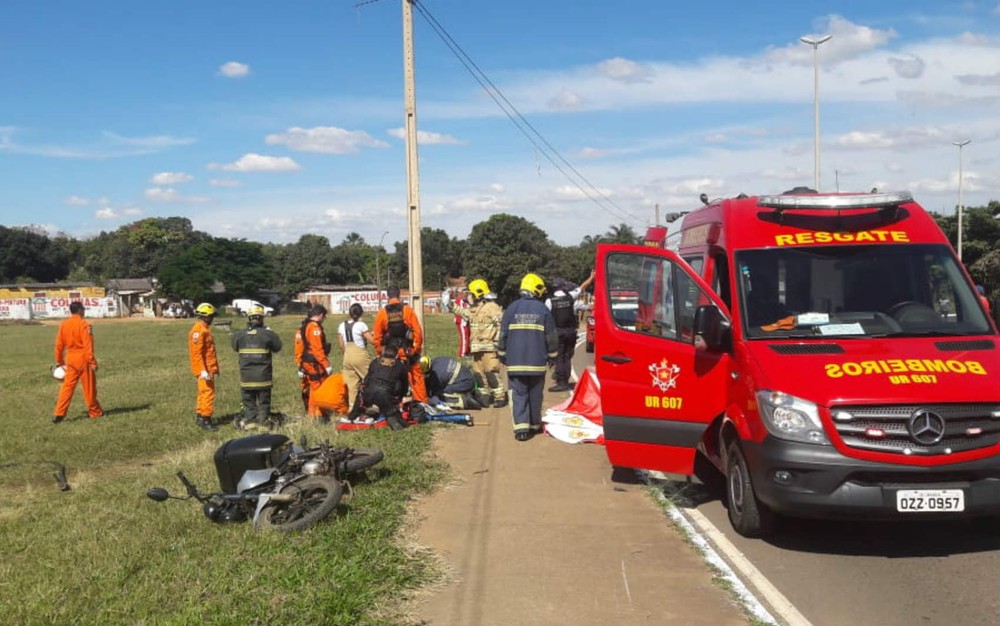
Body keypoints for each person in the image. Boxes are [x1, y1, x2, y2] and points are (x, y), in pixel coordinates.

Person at [499, 273, 558, 441]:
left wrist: (502, 354)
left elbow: (503, 335)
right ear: (536, 289)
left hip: (515, 363)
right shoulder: (543, 310)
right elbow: (551, 337)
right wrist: (553, 356)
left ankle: (521, 430)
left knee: (518, 395)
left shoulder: (511, 308)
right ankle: (534, 424)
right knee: (535, 395)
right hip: (537, 363)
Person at [443, 278, 507, 407]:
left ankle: (499, 397)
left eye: (471, 293)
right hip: (476, 348)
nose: (469, 296)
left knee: (491, 373)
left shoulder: (492, 307)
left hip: (489, 348)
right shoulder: (474, 309)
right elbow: (464, 312)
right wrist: (449, 304)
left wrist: (498, 342)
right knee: (478, 374)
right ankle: (485, 396)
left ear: (478, 293)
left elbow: (501, 325)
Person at [230, 305, 283, 430]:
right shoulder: (268, 334)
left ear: (249, 318)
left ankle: (250, 421)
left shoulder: (239, 335)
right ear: (261, 318)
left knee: (249, 401)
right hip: (263, 377)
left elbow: (235, 347)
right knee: (264, 401)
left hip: (246, 376)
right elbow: (278, 347)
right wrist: (271, 333)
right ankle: (263, 422)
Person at [372, 286, 427, 403]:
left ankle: (394, 402)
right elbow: (418, 333)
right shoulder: (408, 310)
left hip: (391, 354)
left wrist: (379, 352)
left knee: (390, 378)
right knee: (416, 376)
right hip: (408, 352)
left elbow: (377, 337)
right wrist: (415, 349)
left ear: (387, 296)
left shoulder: (382, 313)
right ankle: (422, 403)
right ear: (399, 295)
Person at [52, 301, 103, 423]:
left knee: (67, 387)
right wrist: (92, 362)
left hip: (70, 359)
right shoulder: (84, 325)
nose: (84, 311)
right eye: (83, 309)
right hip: (83, 359)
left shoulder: (64, 325)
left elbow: (59, 345)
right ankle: (94, 412)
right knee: (89, 388)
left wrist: (59, 361)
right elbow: (88, 345)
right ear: (80, 310)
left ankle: (59, 413)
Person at [545, 270, 596, 392]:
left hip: (558, 332)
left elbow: (546, 317)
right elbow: (582, 287)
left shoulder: (549, 301)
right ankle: (565, 380)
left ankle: (561, 382)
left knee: (559, 357)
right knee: (567, 357)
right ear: (563, 286)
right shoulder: (571, 297)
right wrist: (591, 278)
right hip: (571, 332)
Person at [348, 343, 412, 430]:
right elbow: (405, 384)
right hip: (385, 396)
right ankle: (395, 424)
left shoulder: (375, 362)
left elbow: (366, 381)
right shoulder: (399, 365)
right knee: (393, 416)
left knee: (361, 395)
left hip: (368, 394)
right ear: (396, 355)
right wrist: (400, 397)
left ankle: (352, 417)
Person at [188, 303, 221, 431]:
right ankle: (206, 418)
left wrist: (214, 368)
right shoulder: (199, 331)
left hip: (208, 368)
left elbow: (209, 352)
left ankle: (200, 416)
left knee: (203, 393)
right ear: (205, 316)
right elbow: (196, 353)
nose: (212, 319)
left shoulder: (204, 329)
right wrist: (202, 370)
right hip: (204, 369)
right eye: (211, 316)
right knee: (207, 393)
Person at [298, 304, 332, 420]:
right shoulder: (314, 328)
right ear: (321, 315)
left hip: (308, 361)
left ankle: (312, 413)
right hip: (314, 362)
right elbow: (317, 349)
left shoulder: (305, 326)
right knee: (318, 387)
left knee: (313, 387)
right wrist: (326, 364)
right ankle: (318, 414)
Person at [338, 303, 374, 408]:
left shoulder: (341, 325)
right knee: (370, 379)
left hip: (347, 356)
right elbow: (372, 341)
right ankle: (373, 405)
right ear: (361, 313)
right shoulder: (361, 325)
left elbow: (341, 344)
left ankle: (352, 407)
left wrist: (346, 353)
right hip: (359, 355)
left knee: (352, 385)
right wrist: (374, 335)